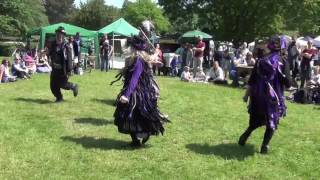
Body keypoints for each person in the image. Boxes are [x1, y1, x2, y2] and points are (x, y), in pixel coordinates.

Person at [112, 21, 169, 147]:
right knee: (130, 115)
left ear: (134, 48)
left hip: (137, 92)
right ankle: (135, 140)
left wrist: (126, 95)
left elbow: (134, 79)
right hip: (134, 90)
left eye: (130, 46)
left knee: (134, 114)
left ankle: (144, 134)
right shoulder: (135, 58)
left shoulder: (138, 60)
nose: (128, 48)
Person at [238, 35, 291, 154]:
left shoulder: (261, 60)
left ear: (270, 45)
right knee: (272, 121)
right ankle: (264, 145)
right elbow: (288, 83)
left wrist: (246, 95)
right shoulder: (283, 62)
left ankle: (246, 134)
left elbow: (251, 80)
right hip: (273, 98)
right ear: (282, 47)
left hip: (258, 97)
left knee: (256, 119)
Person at [48, 26, 78, 102]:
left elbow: (70, 59)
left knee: (62, 84)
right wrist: (49, 59)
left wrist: (70, 70)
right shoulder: (53, 44)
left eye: (61, 34)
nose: (59, 36)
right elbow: (51, 54)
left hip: (63, 69)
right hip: (55, 69)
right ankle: (59, 98)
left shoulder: (66, 46)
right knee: (53, 85)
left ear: (63, 36)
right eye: (58, 34)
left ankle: (74, 86)